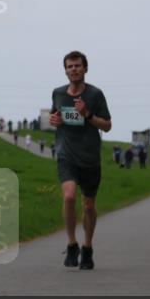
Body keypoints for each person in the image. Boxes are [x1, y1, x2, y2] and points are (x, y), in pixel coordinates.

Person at [49, 51, 112, 270]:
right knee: (69, 196)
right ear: (65, 70)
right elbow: (56, 116)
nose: (73, 69)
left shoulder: (95, 94)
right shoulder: (58, 93)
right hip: (66, 155)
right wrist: (54, 120)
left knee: (88, 205)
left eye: (77, 65)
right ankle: (72, 244)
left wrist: (88, 115)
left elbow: (107, 125)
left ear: (85, 68)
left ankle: (87, 247)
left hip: (90, 157)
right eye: (69, 66)